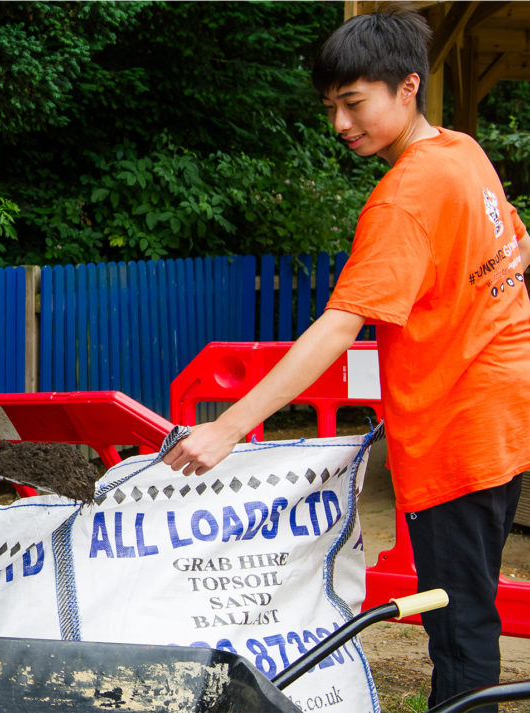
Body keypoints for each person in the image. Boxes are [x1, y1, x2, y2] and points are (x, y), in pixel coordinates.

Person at [162, 7, 530, 710]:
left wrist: (230, 424)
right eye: (332, 107)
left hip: (458, 428)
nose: (340, 124)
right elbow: (518, 245)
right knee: (471, 602)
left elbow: (338, 328)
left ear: (407, 87)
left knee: (461, 625)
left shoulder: (406, 196)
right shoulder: (464, 153)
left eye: (354, 103)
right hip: (505, 415)